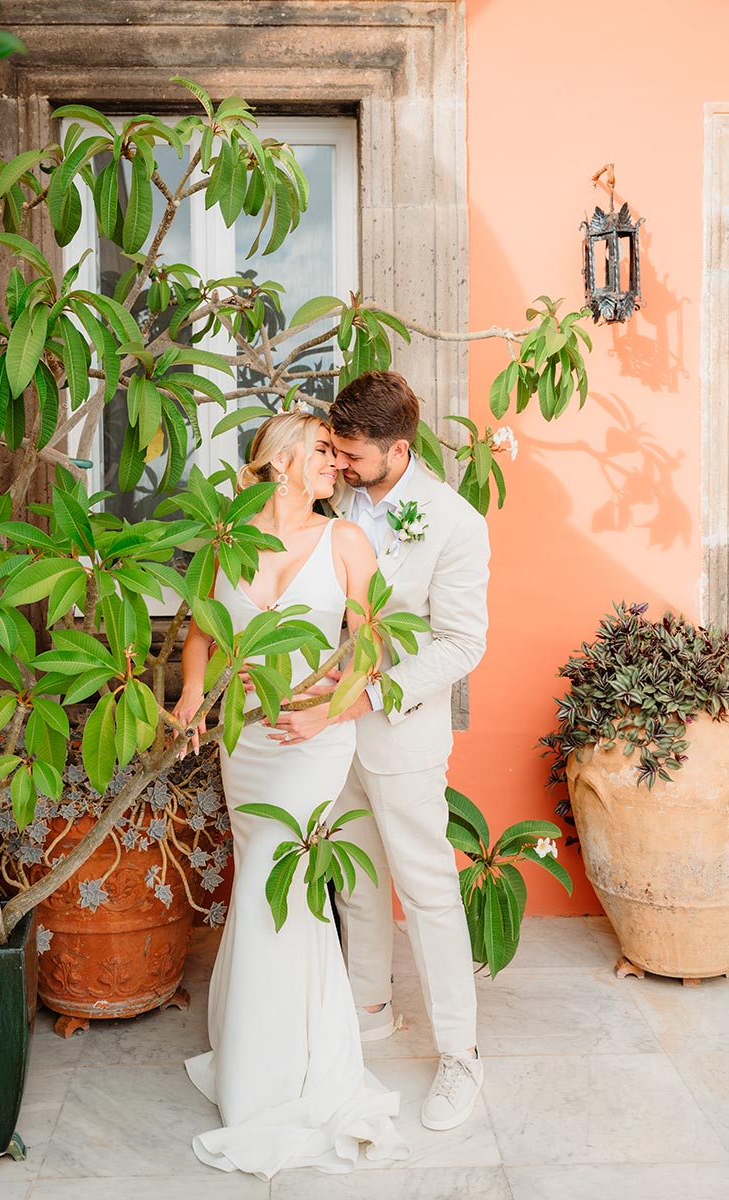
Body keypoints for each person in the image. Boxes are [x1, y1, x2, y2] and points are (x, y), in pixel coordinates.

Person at [174, 411, 409, 1179]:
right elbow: (204, 632)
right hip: (244, 743)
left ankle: (291, 1072)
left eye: (338, 458)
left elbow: (370, 649)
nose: (335, 467)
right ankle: (250, 1048)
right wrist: (191, 699)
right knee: (258, 882)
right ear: (278, 462)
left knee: (294, 887)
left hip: (312, 740)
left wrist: (322, 710)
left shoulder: (344, 541)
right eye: (319, 453)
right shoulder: (228, 542)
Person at [268, 371, 490, 1132]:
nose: (342, 465)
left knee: (428, 893)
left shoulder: (455, 523)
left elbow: (463, 643)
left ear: (399, 449)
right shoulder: (333, 499)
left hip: (398, 730)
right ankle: (369, 1009)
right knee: (355, 879)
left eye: (355, 455)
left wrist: (373, 695)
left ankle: (460, 1055)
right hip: (326, 736)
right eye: (336, 451)